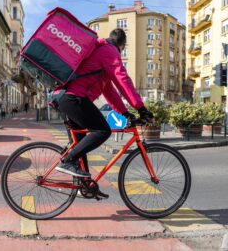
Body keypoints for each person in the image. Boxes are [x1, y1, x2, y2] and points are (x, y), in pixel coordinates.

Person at [55, 28, 154, 179]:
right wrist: (141, 108)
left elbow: (109, 91)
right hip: (74, 98)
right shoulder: (110, 52)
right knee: (102, 131)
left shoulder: (102, 52)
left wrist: (125, 113)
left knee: (81, 146)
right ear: (122, 46)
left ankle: (85, 184)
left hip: (68, 99)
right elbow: (123, 81)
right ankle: (67, 160)